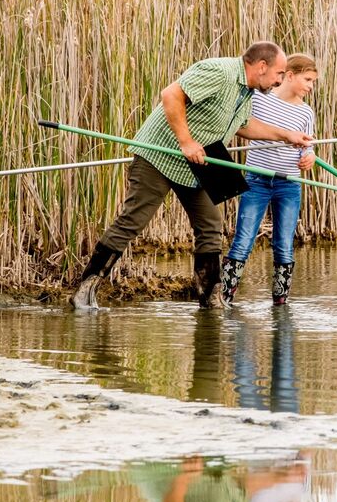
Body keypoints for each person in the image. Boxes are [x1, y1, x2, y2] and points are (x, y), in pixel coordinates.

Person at [70, 42, 312, 310]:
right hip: (160, 156)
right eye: (279, 74)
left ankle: (210, 298)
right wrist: (185, 141)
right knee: (133, 221)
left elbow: (244, 125)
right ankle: (86, 289)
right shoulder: (218, 71)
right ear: (262, 66)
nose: (280, 81)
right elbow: (171, 95)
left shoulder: (247, 91)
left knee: (210, 225)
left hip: (199, 162)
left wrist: (286, 136)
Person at [221, 54, 318, 305]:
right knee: (243, 240)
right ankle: (224, 296)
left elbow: (306, 147)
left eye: (313, 81)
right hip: (257, 180)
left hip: (289, 184)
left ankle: (280, 301)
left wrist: (310, 157)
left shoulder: (306, 113)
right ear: (289, 75)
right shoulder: (260, 99)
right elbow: (242, 126)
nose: (310, 86)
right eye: (307, 80)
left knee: (284, 244)